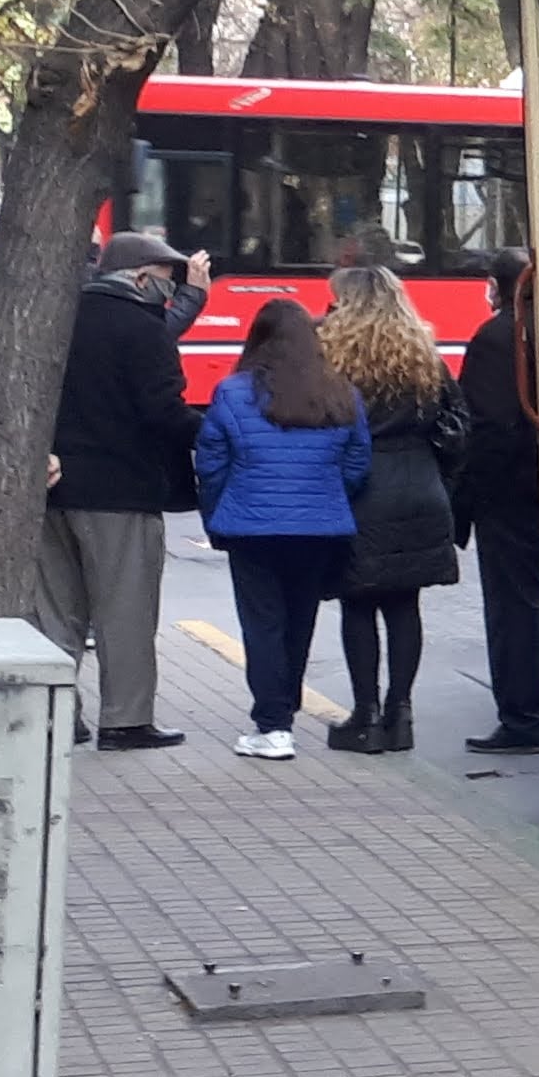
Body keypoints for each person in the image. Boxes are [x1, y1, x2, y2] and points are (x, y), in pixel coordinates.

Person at [37, 230, 213, 750]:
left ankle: (54, 716)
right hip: (121, 490)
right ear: (139, 277)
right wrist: (215, 434)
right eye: (166, 278)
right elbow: (163, 411)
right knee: (125, 612)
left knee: (56, 613)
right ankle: (126, 720)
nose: (171, 288)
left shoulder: (57, 320)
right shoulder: (142, 328)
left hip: (53, 487)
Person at [192, 296, 368, 760]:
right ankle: (284, 707)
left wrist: (217, 514)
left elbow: (212, 463)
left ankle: (272, 726)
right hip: (318, 530)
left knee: (262, 624)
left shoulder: (233, 392)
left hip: (252, 528)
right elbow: (357, 462)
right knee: (299, 622)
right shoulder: (340, 392)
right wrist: (328, 497)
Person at [316, 266, 464, 755]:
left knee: (358, 602)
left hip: (361, 489)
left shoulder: (336, 356)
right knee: (405, 604)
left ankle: (366, 715)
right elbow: (457, 421)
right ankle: (401, 712)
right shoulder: (423, 354)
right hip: (421, 485)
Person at [454, 263, 539, 751]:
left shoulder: (499, 336)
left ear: (499, 287)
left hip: (509, 495)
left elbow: (488, 426)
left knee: (514, 607)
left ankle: (524, 717)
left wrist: (472, 493)